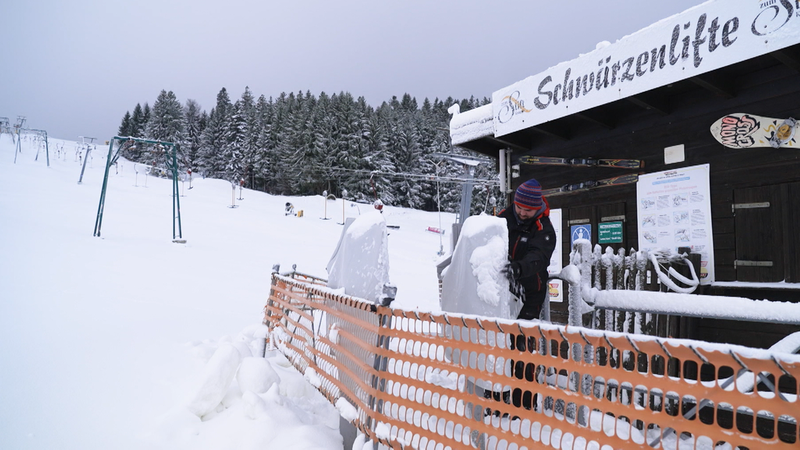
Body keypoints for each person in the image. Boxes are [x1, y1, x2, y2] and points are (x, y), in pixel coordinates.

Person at [499, 178, 556, 320]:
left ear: (537, 208)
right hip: (502, 287)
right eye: (519, 207)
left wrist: (519, 268)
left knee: (521, 336)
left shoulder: (543, 229)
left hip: (529, 292)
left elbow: (539, 256)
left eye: (528, 210)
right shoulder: (504, 217)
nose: (522, 213)